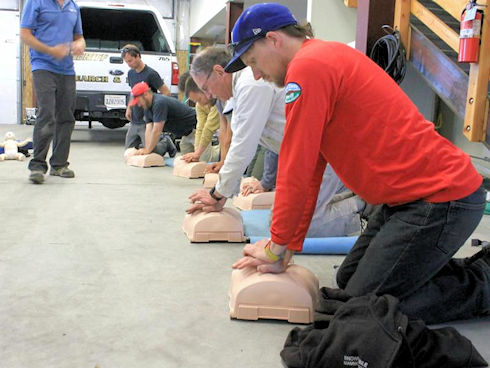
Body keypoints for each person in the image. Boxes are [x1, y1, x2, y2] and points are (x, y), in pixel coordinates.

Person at [226, 3, 488, 324]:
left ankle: (483, 283)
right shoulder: (320, 58)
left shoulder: (308, 68)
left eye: (253, 61)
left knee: (361, 308)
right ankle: (438, 267)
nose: (256, 74)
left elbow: (296, 165)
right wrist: (288, 245)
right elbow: (310, 173)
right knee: (347, 279)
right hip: (405, 203)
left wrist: (276, 246)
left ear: (273, 39)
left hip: (440, 199)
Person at [187, 47, 364, 238]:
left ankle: (361, 210)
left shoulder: (251, 85)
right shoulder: (239, 90)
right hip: (306, 156)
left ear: (219, 71)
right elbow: (264, 143)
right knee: (279, 222)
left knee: (299, 230)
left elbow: (242, 146)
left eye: (206, 88)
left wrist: (217, 194)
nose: (208, 96)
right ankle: (347, 198)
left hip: (325, 154)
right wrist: (223, 193)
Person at [20, 0, 86, 184]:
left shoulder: (73, 6)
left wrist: (80, 44)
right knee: (47, 113)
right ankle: (37, 166)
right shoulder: (36, 2)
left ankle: (59, 164)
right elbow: (25, 35)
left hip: (66, 69)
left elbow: (78, 36)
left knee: (66, 117)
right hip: (43, 66)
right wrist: (50, 50)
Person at [121, 44, 175, 156]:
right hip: (135, 120)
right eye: (127, 62)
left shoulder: (151, 74)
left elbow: (166, 92)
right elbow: (133, 92)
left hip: (147, 120)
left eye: (130, 61)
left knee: (152, 151)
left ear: (138, 56)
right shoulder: (131, 73)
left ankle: (165, 143)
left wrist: (157, 112)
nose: (129, 64)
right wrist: (129, 108)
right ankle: (146, 143)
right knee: (128, 153)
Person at [129, 82, 196, 155]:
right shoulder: (147, 106)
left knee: (205, 160)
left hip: (196, 130)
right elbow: (149, 129)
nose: (138, 105)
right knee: (186, 162)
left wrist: (148, 150)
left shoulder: (159, 103)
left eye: (139, 101)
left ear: (146, 94)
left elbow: (157, 130)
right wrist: (147, 149)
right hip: (186, 135)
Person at [178, 71, 220, 163]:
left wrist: (197, 153)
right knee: (199, 156)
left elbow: (209, 128)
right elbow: (200, 127)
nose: (201, 103)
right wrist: (197, 153)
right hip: (221, 132)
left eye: (199, 99)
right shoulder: (199, 105)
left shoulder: (218, 100)